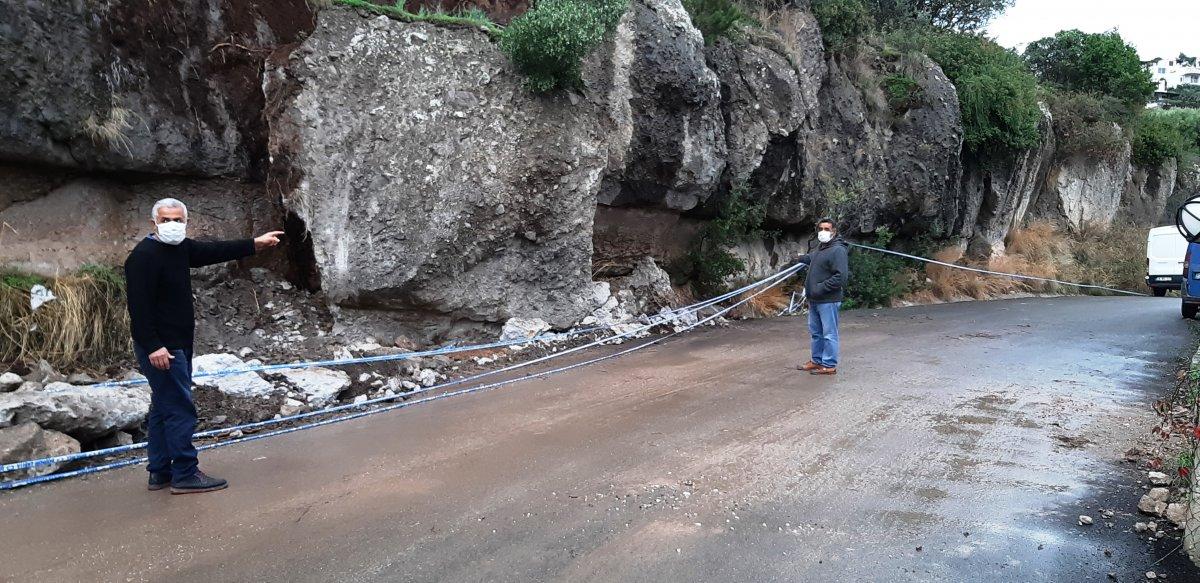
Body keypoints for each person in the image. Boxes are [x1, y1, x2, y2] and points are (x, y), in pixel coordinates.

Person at [124, 198, 283, 494]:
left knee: (162, 407)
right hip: (163, 348)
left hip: (178, 344)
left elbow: (213, 251)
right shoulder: (143, 256)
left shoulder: (180, 248)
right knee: (181, 410)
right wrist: (154, 346)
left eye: (177, 220)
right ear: (153, 223)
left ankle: (160, 472)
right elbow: (139, 308)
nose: (172, 225)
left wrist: (255, 244)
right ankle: (185, 473)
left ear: (186, 222)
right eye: (165, 220)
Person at [796, 218, 849, 376]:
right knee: (816, 333)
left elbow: (841, 277)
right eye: (821, 229)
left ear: (834, 231)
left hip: (828, 300)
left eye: (827, 229)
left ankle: (829, 364)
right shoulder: (822, 248)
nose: (823, 232)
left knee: (829, 334)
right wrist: (799, 258)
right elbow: (813, 259)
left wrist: (820, 288)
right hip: (815, 300)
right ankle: (816, 360)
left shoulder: (838, 250)